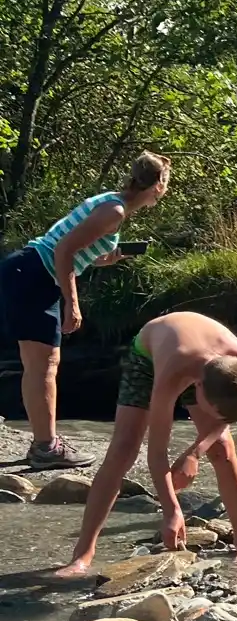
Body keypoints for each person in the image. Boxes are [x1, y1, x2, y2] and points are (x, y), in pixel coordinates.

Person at [54, 311, 237, 580]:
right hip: (149, 357)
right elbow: (157, 452)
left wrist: (194, 453)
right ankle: (83, 554)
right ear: (196, 387)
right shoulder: (173, 373)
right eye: (211, 410)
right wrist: (172, 510)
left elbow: (223, 422)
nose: (213, 418)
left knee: (222, 449)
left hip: (203, 358)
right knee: (123, 451)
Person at [0, 152, 171, 469]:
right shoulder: (114, 211)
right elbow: (63, 250)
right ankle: (46, 448)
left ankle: (43, 443)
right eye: (166, 183)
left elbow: (74, 248)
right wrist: (73, 303)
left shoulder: (111, 203)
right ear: (157, 185)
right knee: (44, 366)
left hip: (28, 271)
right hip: (36, 275)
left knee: (39, 365)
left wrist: (104, 258)